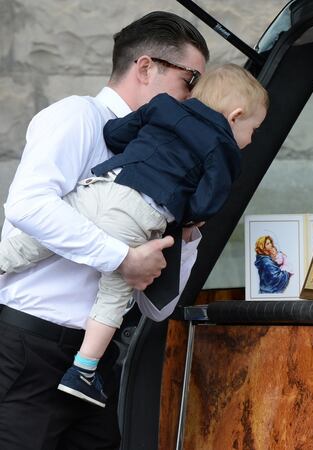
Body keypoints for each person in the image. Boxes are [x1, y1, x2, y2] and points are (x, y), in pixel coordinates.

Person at [0, 64, 268, 407]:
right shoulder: (225, 149)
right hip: (137, 217)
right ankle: (83, 371)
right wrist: (187, 215)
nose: (251, 139)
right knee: (112, 295)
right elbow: (207, 202)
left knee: (29, 243)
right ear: (236, 115)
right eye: (254, 130)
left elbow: (116, 134)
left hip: (101, 186)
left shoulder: (163, 107)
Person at [0, 11, 209, 449]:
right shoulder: (78, 116)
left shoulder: (167, 161)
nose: (193, 100)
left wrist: (186, 239)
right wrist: (122, 257)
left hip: (95, 359)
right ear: (147, 67)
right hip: (29, 348)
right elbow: (27, 204)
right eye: (190, 81)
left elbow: (156, 305)